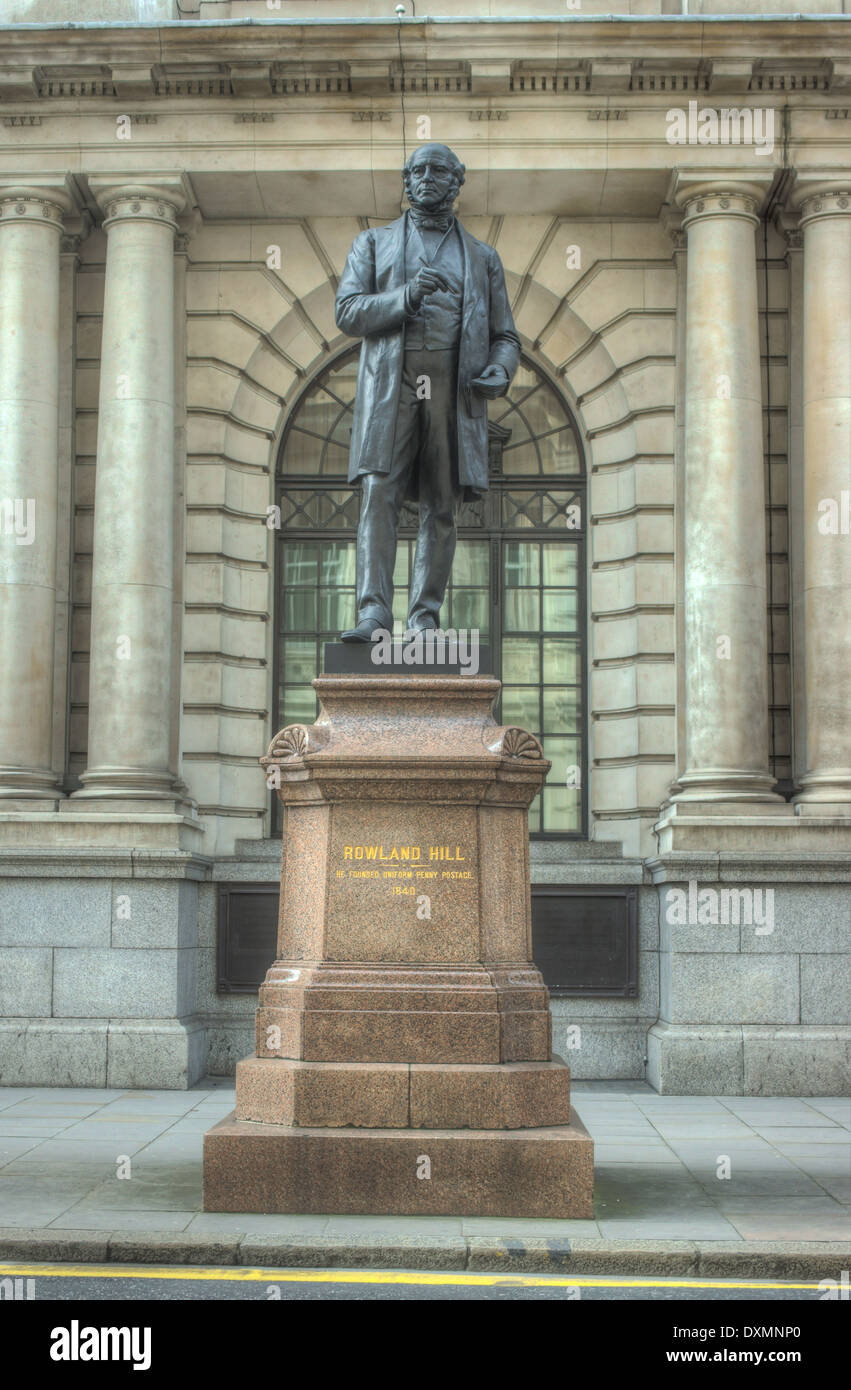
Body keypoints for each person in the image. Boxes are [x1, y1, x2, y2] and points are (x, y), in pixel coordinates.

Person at [335, 142, 520, 641]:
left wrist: (501, 371)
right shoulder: (372, 244)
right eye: (417, 170)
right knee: (379, 492)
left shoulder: (483, 258)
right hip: (391, 385)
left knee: (442, 503)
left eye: (439, 170)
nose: (426, 178)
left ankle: (423, 618)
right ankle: (373, 613)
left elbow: (505, 335)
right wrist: (406, 296)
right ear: (406, 179)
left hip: (451, 387)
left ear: (458, 181)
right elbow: (348, 312)